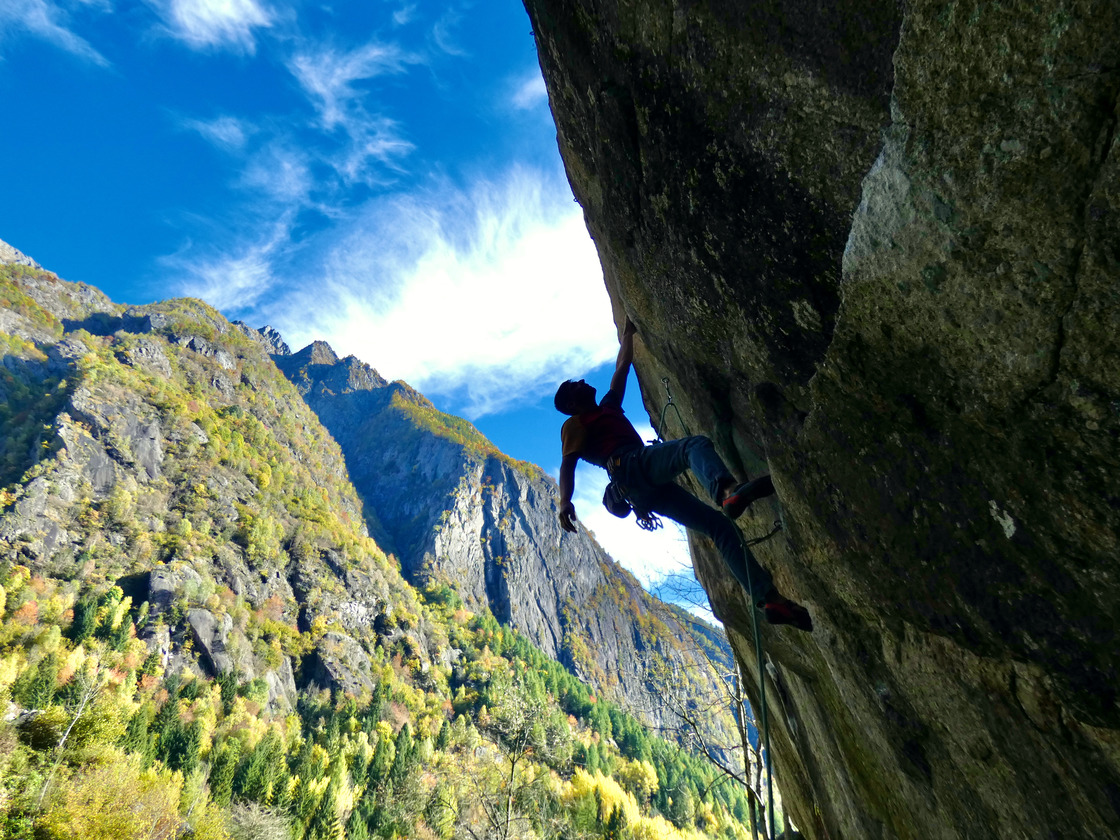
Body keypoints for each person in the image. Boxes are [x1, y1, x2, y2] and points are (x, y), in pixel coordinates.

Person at [555, 318, 812, 631]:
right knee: (693, 446)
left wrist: (628, 334)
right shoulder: (574, 424)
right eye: (576, 385)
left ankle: (769, 599)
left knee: (719, 527)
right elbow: (568, 464)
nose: (583, 381)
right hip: (631, 465)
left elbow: (622, 368)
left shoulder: (607, 407)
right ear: (572, 402)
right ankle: (727, 491)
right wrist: (564, 501)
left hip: (641, 490)